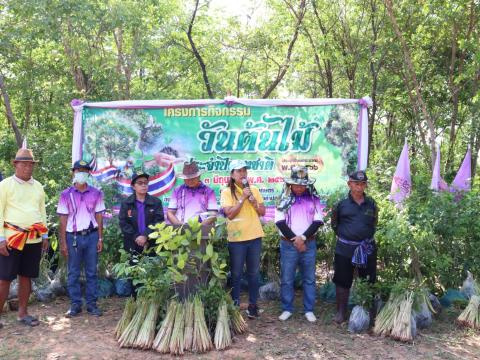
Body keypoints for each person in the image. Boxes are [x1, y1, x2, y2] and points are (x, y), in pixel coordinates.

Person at [0, 148, 49, 328]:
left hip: (34, 238)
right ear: (16, 165)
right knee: (4, 278)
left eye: (31, 164)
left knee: (26, 276)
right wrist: (0, 238)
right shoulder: (5, 185)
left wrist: (44, 234)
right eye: (24, 164)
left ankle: (23, 313)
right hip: (12, 238)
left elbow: (42, 211)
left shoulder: (38, 186)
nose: (28, 167)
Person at [57, 160, 105, 317]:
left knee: (92, 272)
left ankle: (92, 305)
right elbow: (63, 219)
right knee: (73, 272)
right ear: (74, 172)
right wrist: (63, 243)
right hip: (74, 238)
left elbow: (99, 216)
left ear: (89, 173)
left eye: (85, 170)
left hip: (91, 237)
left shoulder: (96, 193)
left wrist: (100, 238)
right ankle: (75, 305)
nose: (82, 173)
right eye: (79, 170)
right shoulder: (66, 195)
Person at [275, 166, 324, 323]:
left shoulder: (314, 198)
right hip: (288, 245)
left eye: (302, 184)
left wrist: (302, 238)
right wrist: (296, 240)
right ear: (290, 184)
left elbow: (318, 221)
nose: (299, 187)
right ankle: (287, 309)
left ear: (307, 184)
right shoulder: (282, 199)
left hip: (308, 244)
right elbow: (279, 222)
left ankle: (309, 309)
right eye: (296, 184)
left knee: (309, 278)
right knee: (287, 278)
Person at [331, 170, 378, 324]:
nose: (359, 187)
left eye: (363, 183)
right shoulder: (340, 204)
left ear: (366, 185)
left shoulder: (372, 204)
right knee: (342, 281)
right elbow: (334, 225)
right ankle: (341, 312)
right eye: (356, 183)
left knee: (368, 281)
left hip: (367, 248)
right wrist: (348, 237)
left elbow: (374, 223)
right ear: (349, 184)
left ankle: (368, 313)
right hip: (345, 249)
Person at [221, 159, 265, 319]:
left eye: (244, 170)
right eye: (238, 171)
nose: (242, 173)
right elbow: (230, 214)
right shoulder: (226, 192)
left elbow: (262, 212)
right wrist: (242, 199)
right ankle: (235, 304)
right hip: (236, 239)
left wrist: (253, 201)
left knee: (253, 273)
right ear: (232, 175)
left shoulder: (253, 189)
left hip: (254, 237)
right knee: (236, 273)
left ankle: (253, 305)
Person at [119, 171, 164, 255]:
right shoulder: (126, 203)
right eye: (140, 183)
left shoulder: (156, 202)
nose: (143, 185)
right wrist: (137, 237)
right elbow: (123, 223)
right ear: (133, 186)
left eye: (145, 183)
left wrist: (145, 236)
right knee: (132, 267)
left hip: (151, 243)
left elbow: (158, 221)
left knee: (152, 267)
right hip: (132, 243)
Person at [167, 160, 218, 226]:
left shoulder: (208, 191)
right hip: (181, 230)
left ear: (199, 176)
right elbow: (170, 213)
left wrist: (199, 228)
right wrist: (180, 226)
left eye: (193, 178)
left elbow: (213, 214)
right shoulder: (177, 191)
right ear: (184, 179)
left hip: (202, 230)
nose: (190, 181)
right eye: (187, 178)